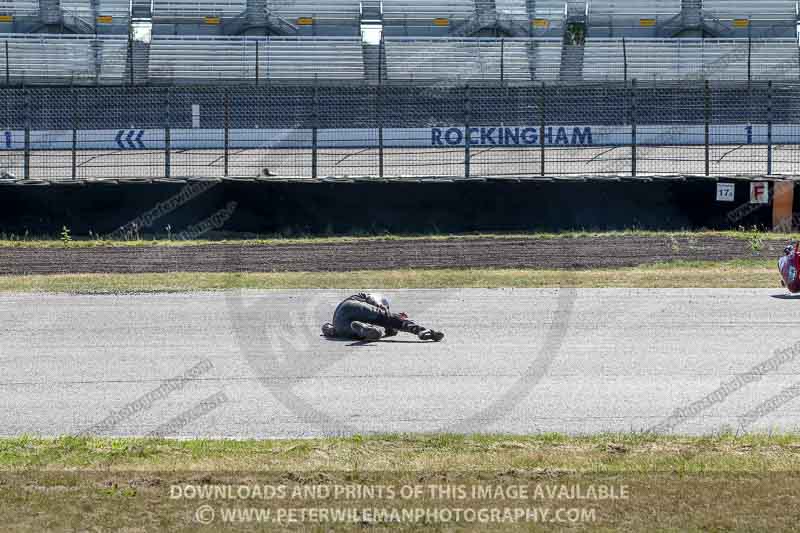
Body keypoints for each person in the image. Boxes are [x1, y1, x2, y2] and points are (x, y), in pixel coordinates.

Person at [321, 292, 444, 342]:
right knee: (388, 319)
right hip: (354, 307)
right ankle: (421, 331)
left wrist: (328, 329)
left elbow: (326, 326)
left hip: (338, 323)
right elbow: (389, 321)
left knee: (358, 332)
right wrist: (379, 305)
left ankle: (363, 329)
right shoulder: (372, 298)